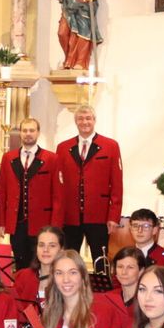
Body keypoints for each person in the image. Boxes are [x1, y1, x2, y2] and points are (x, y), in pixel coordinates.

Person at [56, 105, 123, 268]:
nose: (84, 122)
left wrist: (113, 216)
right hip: (70, 216)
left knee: (101, 261)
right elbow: (59, 184)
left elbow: (117, 184)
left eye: (88, 118)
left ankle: (102, 292)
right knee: (69, 260)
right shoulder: (63, 148)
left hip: (98, 215)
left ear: (94, 120)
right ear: (76, 122)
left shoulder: (110, 146)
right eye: (80, 119)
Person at [0, 117, 57, 269]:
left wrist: (55, 225)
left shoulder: (51, 158)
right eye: (24, 130)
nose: (28, 134)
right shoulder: (8, 158)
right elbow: (2, 191)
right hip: (17, 223)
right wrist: (0, 221)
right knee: (21, 264)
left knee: (40, 265)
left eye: (32, 130)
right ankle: (22, 291)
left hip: (41, 223)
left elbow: (57, 195)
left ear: (38, 133)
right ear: (20, 133)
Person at [13, 225, 63, 314]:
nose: (45, 250)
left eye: (52, 246)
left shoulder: (67, 280)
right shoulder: (23, 276)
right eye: (41, 245)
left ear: (61, 250)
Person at [104, 246, 145, 317]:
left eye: (130, 267)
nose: (124, 272)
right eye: (120, 267)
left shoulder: (146, 301)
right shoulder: (108, 297)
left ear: (141, 271)